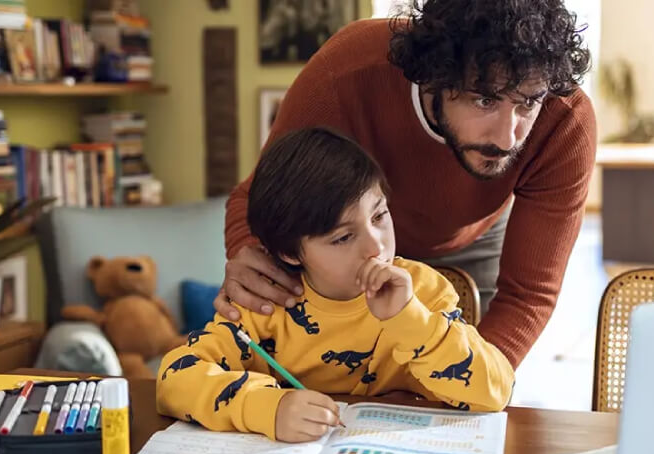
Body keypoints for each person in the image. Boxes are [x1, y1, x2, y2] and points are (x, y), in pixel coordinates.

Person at [219, 0, 595, 369]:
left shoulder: (565, 122)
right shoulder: (344, 73)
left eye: (527, 104)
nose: (507, 138)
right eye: (484, 100)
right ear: (434, 75)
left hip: (473, 240)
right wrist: (250, 253)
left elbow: (527, 295)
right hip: (348, 243)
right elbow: (256, 199)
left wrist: (473, 384)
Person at [157, 128, 514, 442]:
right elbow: (174, 378)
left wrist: (412, 320)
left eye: (379, 215)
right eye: (343, 237)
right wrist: (266, 408)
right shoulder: (264, 304)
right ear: (290, 252)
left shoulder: (424, 291)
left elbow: (496, 391)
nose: (376, 246)